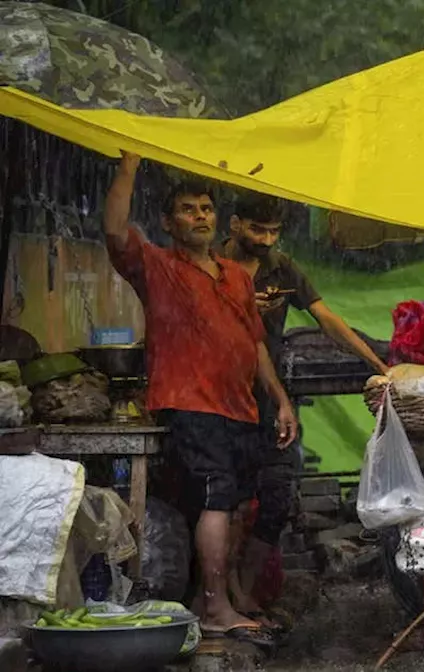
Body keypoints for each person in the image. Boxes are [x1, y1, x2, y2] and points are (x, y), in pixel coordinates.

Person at [104, 151, 297, 648]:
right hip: (190, 401)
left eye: (206, 208)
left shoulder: (236, 275)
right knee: (215, 499)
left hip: (240, 405)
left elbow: (254, 343)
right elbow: (114, 232)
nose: (200, 216)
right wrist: (129, 166)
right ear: (169, 223)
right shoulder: (157, 265)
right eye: (188, 210)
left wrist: (280, 399)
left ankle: (217, 599)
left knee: (234, 505)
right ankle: (213, 608)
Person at [219, 191, 389, 628]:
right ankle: (226, 596)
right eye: (259, 229)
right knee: (228, 500)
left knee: (276, 495)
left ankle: (248, 592)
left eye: (274, 231)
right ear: (235, 224)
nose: (267, 238)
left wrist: (375, 361)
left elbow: (325, 317)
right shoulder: (213, 267)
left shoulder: (282, 267)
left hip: (271, 399)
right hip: (218, 397)